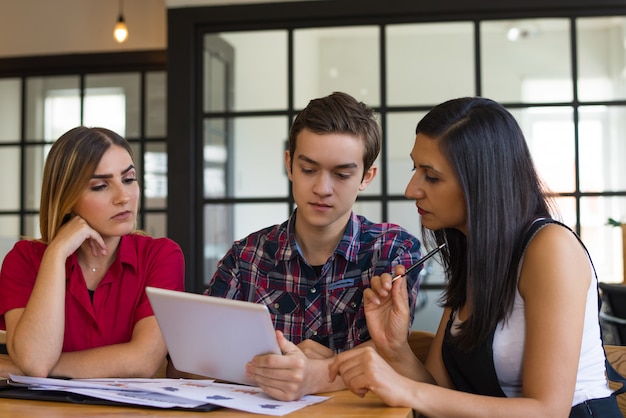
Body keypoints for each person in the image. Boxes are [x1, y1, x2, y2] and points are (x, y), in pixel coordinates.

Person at [329, 97, 621, 417]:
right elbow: (441, 394)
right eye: (416, 169)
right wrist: (394, 348)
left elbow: (548, 411)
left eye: (432, 176)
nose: (411, 189)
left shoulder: (550, 249)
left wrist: (405, 388)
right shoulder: (476, 254)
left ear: (481, 182)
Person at [202, 91, 423, 401]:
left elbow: (391, 352)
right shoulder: (246, 257)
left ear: (366, 176)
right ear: (289, 164)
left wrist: (321, 371)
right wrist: (329, 368)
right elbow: (197, 356)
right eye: (308, 170)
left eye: (342, 174)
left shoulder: (393, 250)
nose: (322, 188)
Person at [0, 126, 185, 379]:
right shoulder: (24, 259)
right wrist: (56, 253)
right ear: (66, 197)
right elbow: (35, 361)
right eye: (100, 186)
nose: (123, 197)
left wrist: (16, 368)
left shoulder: (161, 256)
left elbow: (142, 362)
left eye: (129, 179)